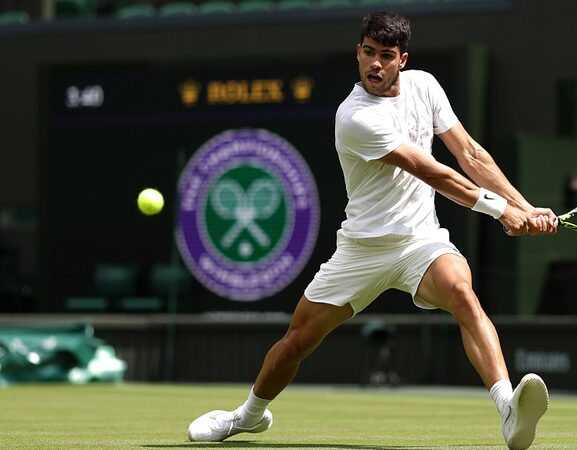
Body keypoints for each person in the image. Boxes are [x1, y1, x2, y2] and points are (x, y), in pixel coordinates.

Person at [188, 11, 557, 450]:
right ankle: (246, 416)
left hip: (421, 241)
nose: (375, 65)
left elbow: (471, 155)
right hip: (362, 249)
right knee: (296, 343)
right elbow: (429, 170)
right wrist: (500, 211)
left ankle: (508, 410)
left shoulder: (425, 86)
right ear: (358, 53)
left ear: (402, 58)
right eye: (368, 53)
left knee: (462, 292)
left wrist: (524, 206)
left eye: (385, 55)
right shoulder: (355, 117)